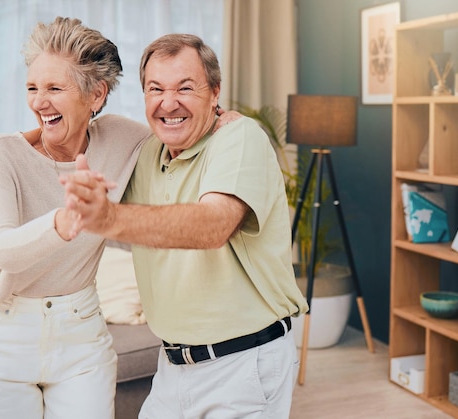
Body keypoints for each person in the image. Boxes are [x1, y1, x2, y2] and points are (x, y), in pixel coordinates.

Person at [0, 18, 238, 419]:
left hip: (81, 335)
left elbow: (178, 124)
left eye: (55, 89)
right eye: (33, 88)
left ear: (96, 95)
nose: (40, 102)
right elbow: (3, 249)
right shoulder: (1, 152)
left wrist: (225, 121)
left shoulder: (122, 139)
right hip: (4, 335)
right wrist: (62, 222)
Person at [62, 33, 309, 418]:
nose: (168, 102)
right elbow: (64, 139)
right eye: (155, 88)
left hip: (243, 364)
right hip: (174, 366)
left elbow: (213, 225)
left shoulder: (238, 137)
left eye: (186, 88)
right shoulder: (144, 154)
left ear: (215, 93)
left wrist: (109, 218)